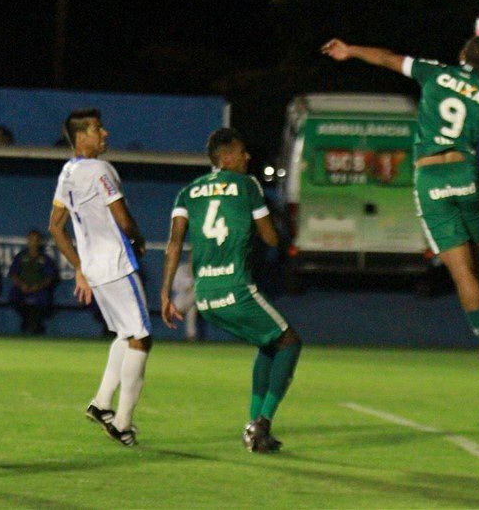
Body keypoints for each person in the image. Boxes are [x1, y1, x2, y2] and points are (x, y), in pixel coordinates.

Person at [321, 35, 479, 384]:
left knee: (461, 272)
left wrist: (350, 50)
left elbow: (385, 55)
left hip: (432, 177)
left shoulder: (435, 72)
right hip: (464, 174)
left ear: (461, 54)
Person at [160, 128, 302, 453]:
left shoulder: (188, 192)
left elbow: (174, 244)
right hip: (236, 287)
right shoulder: (246, 185)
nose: (247, 157)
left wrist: (165, 293)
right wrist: (277, 235)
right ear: (225, 157)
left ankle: (255, 430)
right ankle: (261, 422)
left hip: (206, 295)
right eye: (241, 152)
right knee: (290, 343)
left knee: (269, 345)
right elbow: (269, 238)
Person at [48, 107, 150, 447]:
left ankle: (101, 402)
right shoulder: (100, 169)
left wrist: (79, 266)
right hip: (117, 263)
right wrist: (137, 239)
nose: (104, 134)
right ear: (81, 137)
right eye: (97, 129)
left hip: (94, 267)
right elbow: (121, 217)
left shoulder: (68, 172)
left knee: (125, 332)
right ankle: (122, 422)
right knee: (140, 338)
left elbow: (56, 227)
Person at [8, 229, 58, 334]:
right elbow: (13, 274)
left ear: (39, 241)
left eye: (36, 240)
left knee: (43, 299)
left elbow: (50, 278)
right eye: (31, 240)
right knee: (13, 296)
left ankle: (34, 324)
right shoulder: (21, 256)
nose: (33, 242)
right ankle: (27, 321)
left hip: (39, 289)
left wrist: (37, 286)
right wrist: (21, 285)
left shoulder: (45, 259)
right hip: (22, 288)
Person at [171, 251, 203, 341]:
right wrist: (191, 283)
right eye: (192, 257)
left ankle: (191, 336)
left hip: (194, 301)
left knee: (192, 308)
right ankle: (191, 335)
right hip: (180, 300)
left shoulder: (201, 270)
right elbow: (175, 286)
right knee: (193, 300)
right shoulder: (182, 268)